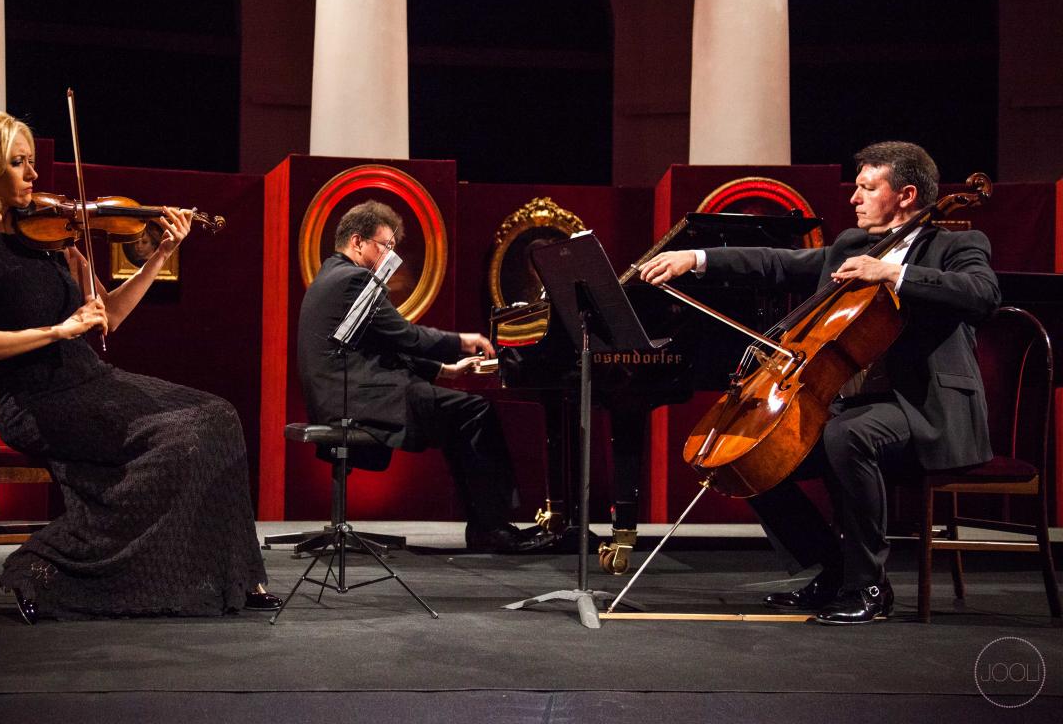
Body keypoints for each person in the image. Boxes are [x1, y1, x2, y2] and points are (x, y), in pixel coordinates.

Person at [0, 112, 279, 622]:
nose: (33, 175)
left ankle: (235, 576)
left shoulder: (48, 239)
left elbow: (107, 315)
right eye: (18, 164)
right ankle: (42, 563)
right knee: (181, 438)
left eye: (30, 162)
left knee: (217, 414)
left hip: (89, 379)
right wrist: (56, 331)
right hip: (34, 399)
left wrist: (161, 255)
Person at [639, 141, 999, 624]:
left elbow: (983, 293)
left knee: (844, 435)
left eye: (868, 188)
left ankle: (869, 586)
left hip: (926, 409)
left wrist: (893, 273)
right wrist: (696, 259)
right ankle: (834, 570)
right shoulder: (853, 245)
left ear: (908, 195)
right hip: (856, 404)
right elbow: (776, 263)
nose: (854, 198)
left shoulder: (957, 245)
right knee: (746, 453)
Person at [297, 200, 553, 552]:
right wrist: (462, 341)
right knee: (475, 412)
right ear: (357, 242)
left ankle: (486, 526)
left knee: (458, 415)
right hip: (361, 396)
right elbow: (404, 335)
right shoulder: (355, 280)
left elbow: (380, 345)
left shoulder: (331, 275)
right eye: (385, 246)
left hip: (344, 392)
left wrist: (443, 371)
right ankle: (492, 528)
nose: (390, 255)